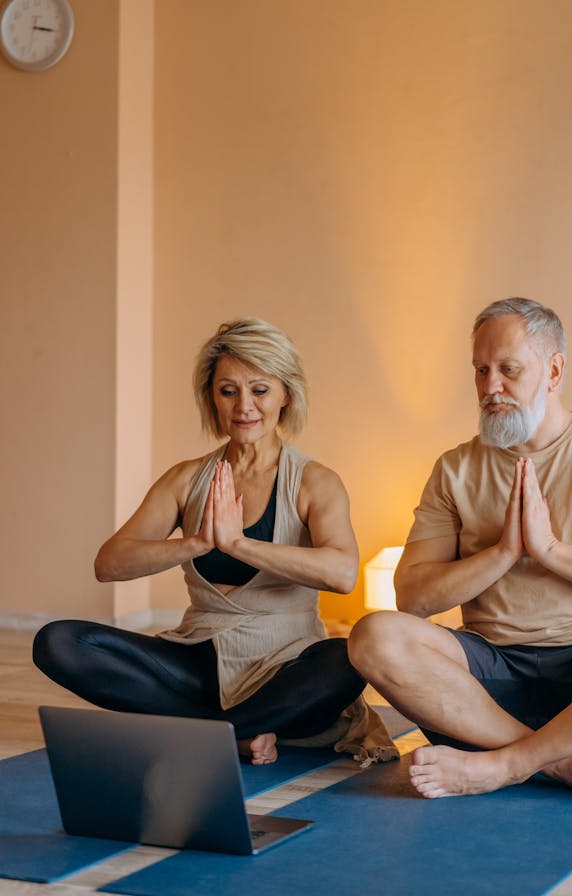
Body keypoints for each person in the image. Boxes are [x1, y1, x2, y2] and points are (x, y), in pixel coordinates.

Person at [348, 297, 572, 799]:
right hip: (490, 681)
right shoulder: (454, 469)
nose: (489, 387)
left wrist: (549, 550)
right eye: (480, 370)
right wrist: (502, 553)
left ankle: (506, 764)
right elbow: (412, 597)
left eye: (508, 369)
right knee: (372, 636)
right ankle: (566, 764)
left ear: (554, 370)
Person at [34, 318, 396, 766]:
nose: (244, 406)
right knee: (59, 642)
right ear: (212, 398)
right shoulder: (186, 478)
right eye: (228, 391)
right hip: (199, 655)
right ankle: (234, 734)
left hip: (286, 665)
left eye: (259, 390)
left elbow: (342, 574)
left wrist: (241, 545)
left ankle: (204, 730)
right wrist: (197, 543)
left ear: (286, 393)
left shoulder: (314, 481)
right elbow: (109, 563)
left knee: (347, 656)